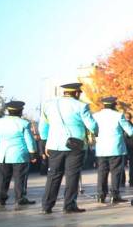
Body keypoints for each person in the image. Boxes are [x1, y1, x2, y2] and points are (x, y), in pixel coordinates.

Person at [40, 82, 98, 214]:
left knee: (53, 175)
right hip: (75, 145)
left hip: (54, 145)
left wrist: (45, 142)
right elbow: (92, 125)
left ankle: (46, 205)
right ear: (76, 93)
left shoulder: (48, 105)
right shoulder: (81, 105)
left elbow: (42, 127)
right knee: (72, 175)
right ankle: (69, 205)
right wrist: (96, 133)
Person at [0, 100, 36, 208]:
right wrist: (33, 153)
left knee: (2, 179)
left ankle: (1, 199)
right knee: (20, 178)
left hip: (3, 155)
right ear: (20, 111)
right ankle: (20, 198)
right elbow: (29, 140)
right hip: (19, 155)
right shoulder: (24, 123)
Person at [93, 97, 133, 204]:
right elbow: (131, 131)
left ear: (103, 105)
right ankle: (114, 195)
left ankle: (100, 195)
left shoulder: (95, 115)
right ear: (114, 105)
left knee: (102, 171)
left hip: (101, 148)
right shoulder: (118, 115)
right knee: (116, 172)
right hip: (115, 148)